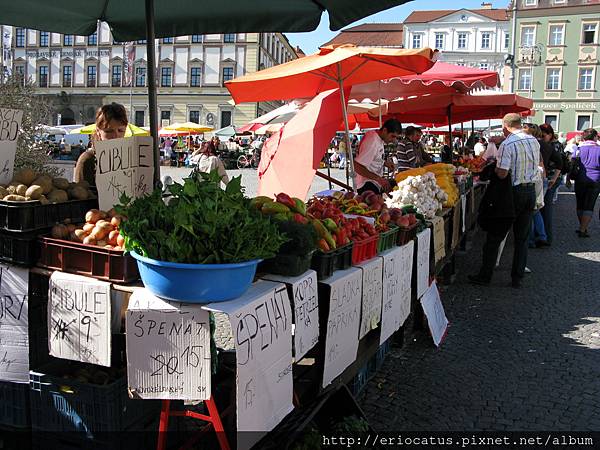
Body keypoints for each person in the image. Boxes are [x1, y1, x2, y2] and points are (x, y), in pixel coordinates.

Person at [469, 113, 539, 289]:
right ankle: (517, 278)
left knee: (495, 236)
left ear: (505, 126)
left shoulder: (508, 144)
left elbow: (502, 173)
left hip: (512, 193)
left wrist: (493, 167)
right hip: (530, 191)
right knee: (521, 238)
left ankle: (485, 275)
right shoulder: (533, 140)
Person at [74, 103, 128, 187]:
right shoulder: (87, 159)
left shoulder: (129, 157)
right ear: (98, 131)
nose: (116, 136)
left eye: (121, 130)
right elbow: (81, 193)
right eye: (109, 131)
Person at [354, 119, 402, 194]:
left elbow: (372, 157)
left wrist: (384, 163)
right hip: (366, 184)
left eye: (396, 137)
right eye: (392, 136)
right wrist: (379, 179)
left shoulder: (378, 138)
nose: (393, 140)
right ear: (385, 130)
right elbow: (357, 166)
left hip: (373, 182)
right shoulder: (372, 141)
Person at [538, 123, 563, 246]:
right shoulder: (548, 144)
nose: (542, 138)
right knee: (542, 207)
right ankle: (542, 234)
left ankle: (546, 237)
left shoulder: (554, 145)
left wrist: (554, 178)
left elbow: (560, 163)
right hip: (546, 178)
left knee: (546, 207)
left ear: (550, 134)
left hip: (551, 179)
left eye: (544, 135)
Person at [573, 128, 600, 237]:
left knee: (580, 203)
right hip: (596, 179)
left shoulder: (578, 148)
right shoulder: (599, 149)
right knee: (589, 205)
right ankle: (583, 229)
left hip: (580, 178)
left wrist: (569, 178)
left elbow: (573, 163)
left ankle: (582, 227)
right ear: (595, 137)